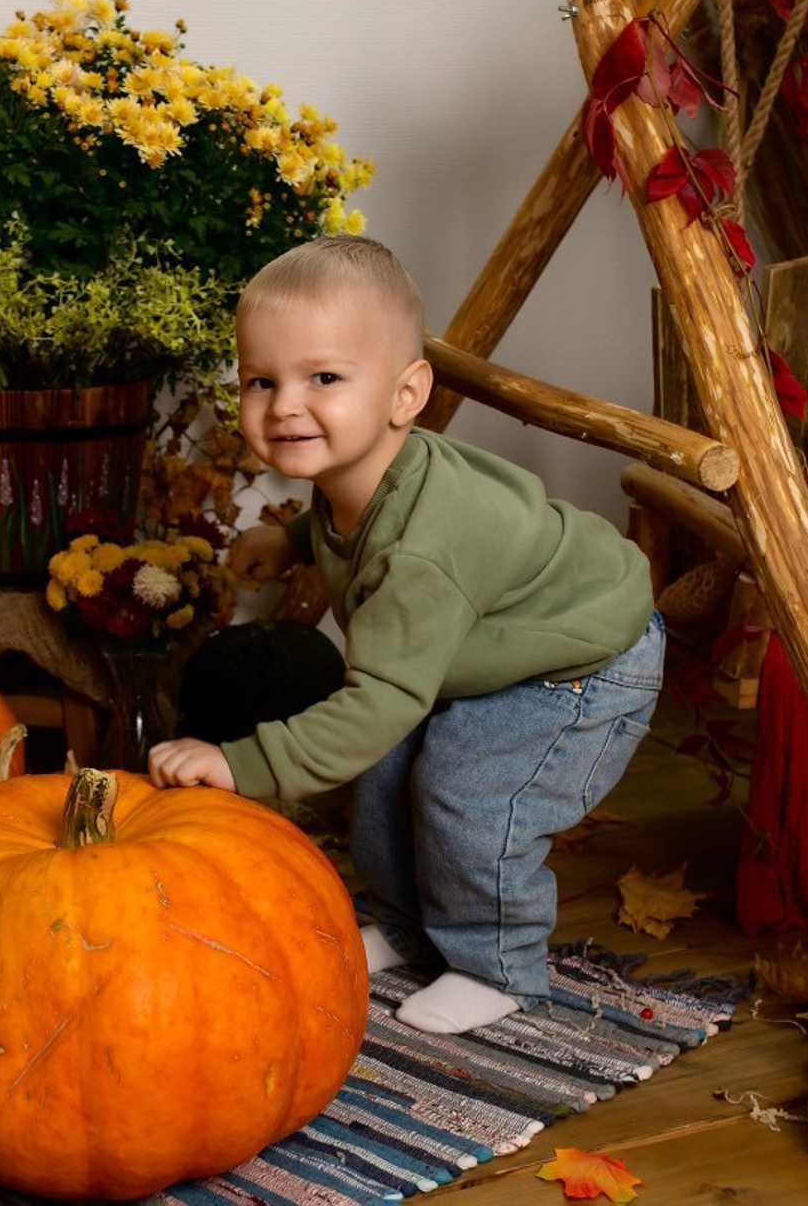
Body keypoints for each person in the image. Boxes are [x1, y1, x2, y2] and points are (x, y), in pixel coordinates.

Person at [147, 235, 664, 1034]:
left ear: (405, 394)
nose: (284, 405)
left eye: (323, 377)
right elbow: (351, 533)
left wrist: (241, 763)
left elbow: (381, 698)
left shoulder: (424, 552)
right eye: (261, 380)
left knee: (467, 790)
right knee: (385, 772)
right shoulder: (354, 470)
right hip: (492, 638)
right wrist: (290, 542)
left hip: (582, 660)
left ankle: (496, 966)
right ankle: (408, 926)